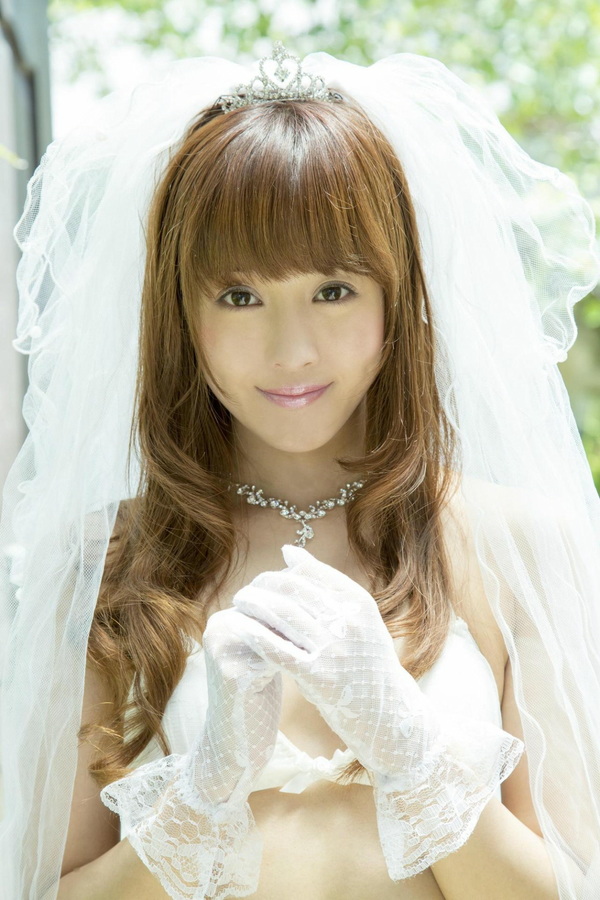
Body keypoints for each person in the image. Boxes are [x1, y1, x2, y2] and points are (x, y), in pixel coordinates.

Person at [1, 41, 599, 900]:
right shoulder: (104, 559)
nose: (291, 352)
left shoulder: (521, 544)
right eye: (240, 296)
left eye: (334, 290)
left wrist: (410, 751)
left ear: (398, 297)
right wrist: (200, 797)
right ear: (181, 314)